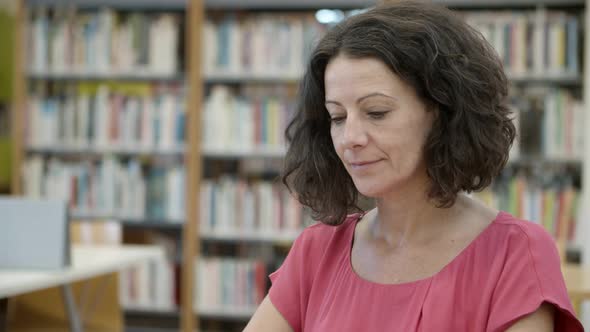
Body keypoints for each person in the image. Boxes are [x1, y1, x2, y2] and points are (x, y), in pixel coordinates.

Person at [244, 1, 583, 331]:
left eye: (376, 112)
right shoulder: (317, 250)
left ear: (442, 112)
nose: (350, 138)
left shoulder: (515, 254)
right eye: (337, 116)